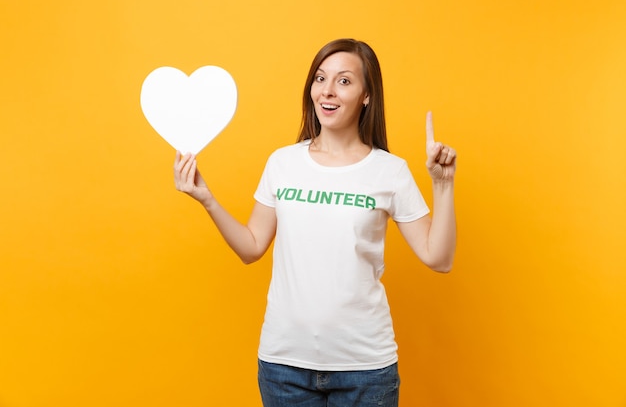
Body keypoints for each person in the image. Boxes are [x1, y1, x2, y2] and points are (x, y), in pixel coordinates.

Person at [173, 38, 457, 407]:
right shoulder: (282, 163)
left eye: (344, 81)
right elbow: (251, 247)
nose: (327, 90)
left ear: (367, 95)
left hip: (365, 370)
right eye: (320, 78)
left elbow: (440, 258)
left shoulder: (389, 171)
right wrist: (206, 199)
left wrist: (443, 183)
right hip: (283, 367)